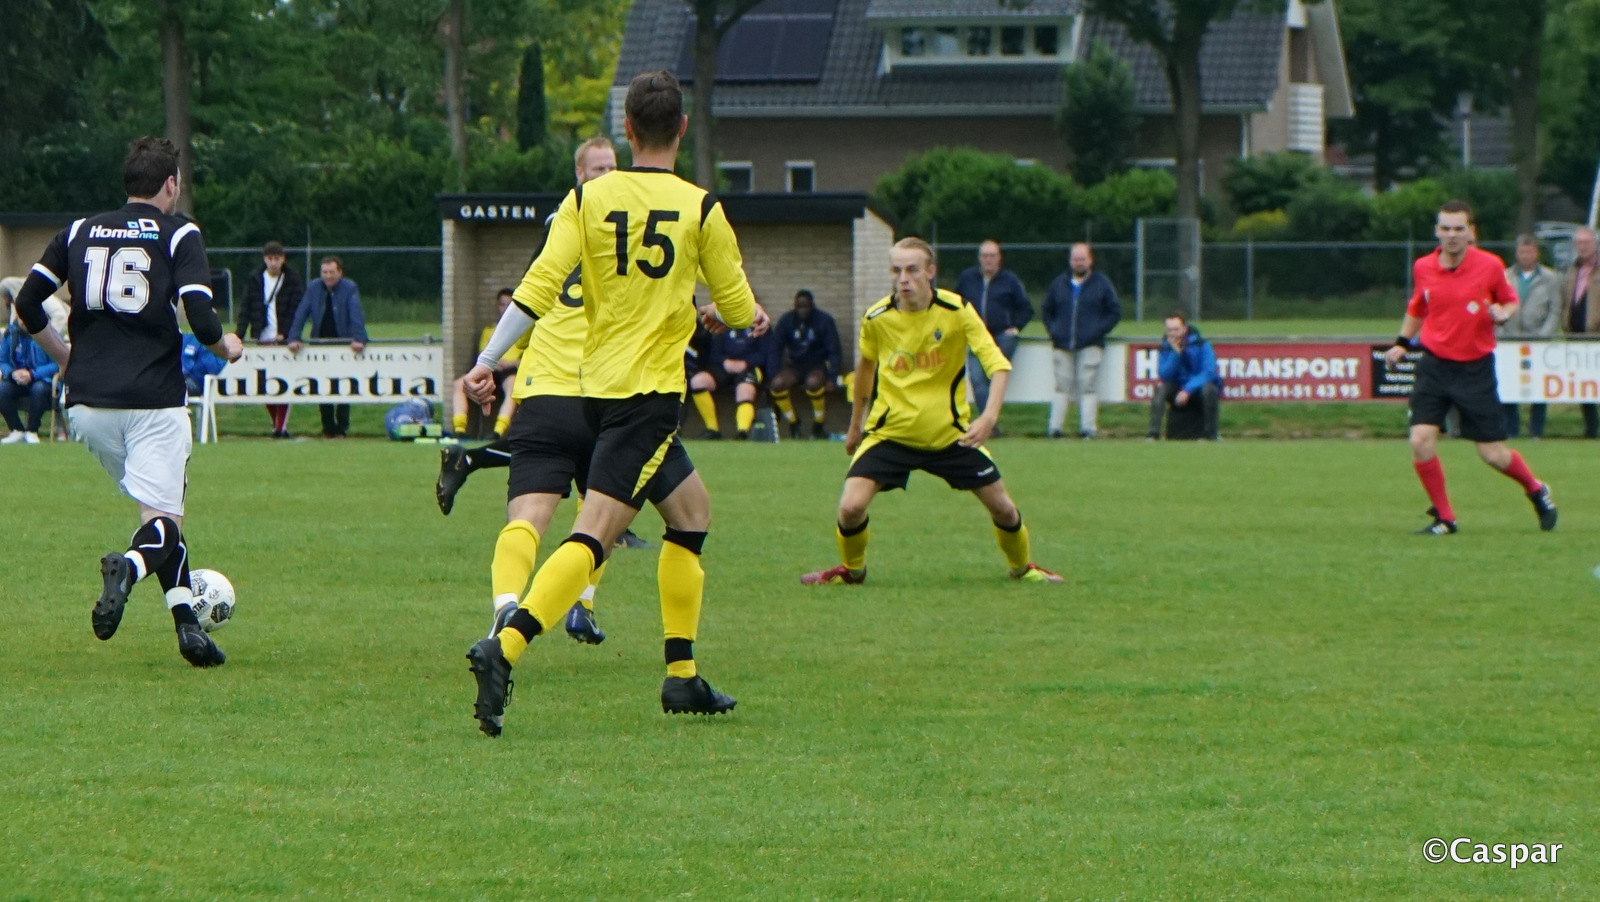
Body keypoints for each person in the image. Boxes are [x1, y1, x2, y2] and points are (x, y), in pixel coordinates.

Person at [459, 70, 766, 736]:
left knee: (691, 514)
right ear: (682, 128)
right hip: (647, 397)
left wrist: (486, 361)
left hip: (597, 389)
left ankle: (682, 676)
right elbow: (739, 308)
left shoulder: (587, 197)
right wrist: (735, 314)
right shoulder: (701, 207)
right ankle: (504, 647)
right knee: (595, 534)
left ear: (627, 130)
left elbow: (537, 288)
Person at [10, 135, 244, 666]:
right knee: (163, 523)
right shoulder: (179, 232)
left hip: (88, 406)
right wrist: (225, 346)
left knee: (157, 518)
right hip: (153, 400)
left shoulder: (78, 231)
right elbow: (201, 317)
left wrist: (64, 357)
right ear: (171, 184)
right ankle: (128, 568)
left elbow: (26, 302)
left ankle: (189, 629)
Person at [799, 237, 1062, 587]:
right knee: (850, 507)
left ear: (930, 272)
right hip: (891, 434)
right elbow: (865, 369)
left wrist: (988, 417)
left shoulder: (957, 310)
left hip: (949, 435)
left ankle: (1022, 567)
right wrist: (855, 425)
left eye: (912, 270)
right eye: (896, 270)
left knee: (1003, 507)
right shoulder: (877, 318)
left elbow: (998, 365)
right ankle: (852, 570)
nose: (903, 278)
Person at [1382, 200, 1556, 535]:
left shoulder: (1489, 265)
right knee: (1420, 439)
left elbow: (1510, 300)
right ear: (1437, 231)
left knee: (1492, 454)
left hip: (1474, 369)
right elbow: (1418, 307)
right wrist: (1402, 343)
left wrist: (1504, 313)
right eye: (1445, 228)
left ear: (1471, 232)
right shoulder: (1423, 267)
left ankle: (1536, 489)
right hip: (1434, 365)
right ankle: (1445, 518)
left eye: (1458, 228)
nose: (1452, 235)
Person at [1041, 243, 1121, 438]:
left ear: (1090, 260)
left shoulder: (1101, 284)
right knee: (1062, 388)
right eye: (1075, 259)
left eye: (1082, 259)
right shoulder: (1059, 283)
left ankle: (1088, 429)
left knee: (1088, 388)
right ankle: (1055, 429)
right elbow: (1046, 310)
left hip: (1090, 345)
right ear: (1070, 261)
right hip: (1062, 345)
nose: (1079, 263)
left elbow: (1114, 312)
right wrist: (1054, 331)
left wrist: (1097, 331)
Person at [286, 256, 367, 438]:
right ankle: (328, 427)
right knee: (322, 387)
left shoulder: (349, 288)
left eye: (331, 272)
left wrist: (359, 338)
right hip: (320, 345)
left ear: (340, 272)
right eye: (324, 272)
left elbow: (356, 313)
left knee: (344, 386)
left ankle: (342, 427)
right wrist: (294, 337)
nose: (328, 276)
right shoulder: (314, 288)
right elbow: (302, 313)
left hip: (343, 345)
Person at [954, 240, 1032, 418]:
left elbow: (1026, 309)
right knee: (977, 380)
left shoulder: (1010, 281)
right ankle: (989, 423)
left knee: (995, 377)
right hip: (976, 337)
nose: (988, 260)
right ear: (979, 258)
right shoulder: (967, 278)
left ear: (999, 258)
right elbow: (956, 305)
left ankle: (989, 420)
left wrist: (1015, 327)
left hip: (1001, 336)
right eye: (984, 256)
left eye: (992, 256)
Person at [235, 240, 304, 438]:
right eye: (270, 258)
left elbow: (296, 309)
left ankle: (281, 427)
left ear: (283, 259)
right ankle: (276, 424)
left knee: (283, 383)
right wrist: (239, 334)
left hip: (283, 341)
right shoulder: (256, 278)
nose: (273, 263)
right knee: (265, 384)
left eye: (277, 258)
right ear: (265, 259)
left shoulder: (292, 279)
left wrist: (286, 333)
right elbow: (247, 307)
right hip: (263, 338)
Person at [1499, 234, 1560, 438]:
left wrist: (1544, 336)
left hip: (1539, 340)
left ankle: (1536, 430)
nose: (1526, 255)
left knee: (1539, 387)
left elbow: (1555, 310)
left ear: (1536, 253)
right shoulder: (1505, 276)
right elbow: (1498, 304)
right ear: (1517, 253)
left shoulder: (1550, 278)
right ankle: (1511, 429)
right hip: (1510, 340)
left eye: (1530, 251)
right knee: (1509, 385)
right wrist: (1502, 332)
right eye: (1522, 252)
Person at [769, 289, 843, 440]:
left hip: (817, 365)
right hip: (795, 365)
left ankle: (818, 425)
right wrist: (772, 373)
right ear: (795, 307)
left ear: (812, 305)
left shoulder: (824, 320)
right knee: (777, 384)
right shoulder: (787, 320)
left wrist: (832, 376)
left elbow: (834, 350)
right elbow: (775, 348)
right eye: (799, 307)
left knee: (813, 383)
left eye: (805, 306)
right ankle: (793, 423)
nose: (802, 310)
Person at [449, 288, 522, 439]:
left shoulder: (522, 329)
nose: (505, 309)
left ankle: (498, 431)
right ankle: (459, 429)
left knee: (513, 387)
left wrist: (511, 363)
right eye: (502, 305)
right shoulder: (489, 331)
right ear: (497, 306)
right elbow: (483, 354)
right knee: (459, 384)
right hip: (491, 369)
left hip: (510, 370)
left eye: (509, 305)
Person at [688, 324, 776, 440]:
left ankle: (742, 432)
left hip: (750, 367)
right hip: (724, 366)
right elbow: (714, 352)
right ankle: (712, 430)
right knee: (698, 381)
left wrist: (746, 363)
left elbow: (766, 353)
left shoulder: (761, 324)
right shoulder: (723, 323)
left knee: (745, 390)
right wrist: (724, 362)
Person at [1146, 312, 1223, 441]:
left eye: (1176, 329)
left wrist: (1188, 390)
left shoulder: (1202, 344)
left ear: (1184, 329)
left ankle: (1210, 434)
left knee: (1209, 390)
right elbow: (1165, 375)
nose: (1173, 333)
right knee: (1161, 389)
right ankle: (1153, 434)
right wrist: (1176, 354)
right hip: (1177, 387)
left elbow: (1209, 372)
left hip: (1198, 388)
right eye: (1170, 330)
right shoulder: (1165, 348)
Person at [1560, 227, 1600, 439]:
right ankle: (1591, 428)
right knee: (1583, 385)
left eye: (1586, 243)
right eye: (1579, 243)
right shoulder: (1571, 271)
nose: (1582, 247)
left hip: (1596, 337)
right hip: (1575, 337)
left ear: (1595, 244)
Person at [0, 311, 59, 444]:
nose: (24, 322)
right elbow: (2, 360)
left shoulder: (49, 335)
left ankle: (32, 431)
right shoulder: (11, 334)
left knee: (38, 389)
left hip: (43, 380)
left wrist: (33, 374)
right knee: (2, 390)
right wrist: (12, 373)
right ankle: (16, 429)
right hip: (17, 379)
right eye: (22, 318)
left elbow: (57, 363)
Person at [180, 332, 227, 397]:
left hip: (195, 382)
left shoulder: (215, 345)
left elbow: (212, 368)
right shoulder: (188, 338)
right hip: (180, 378)